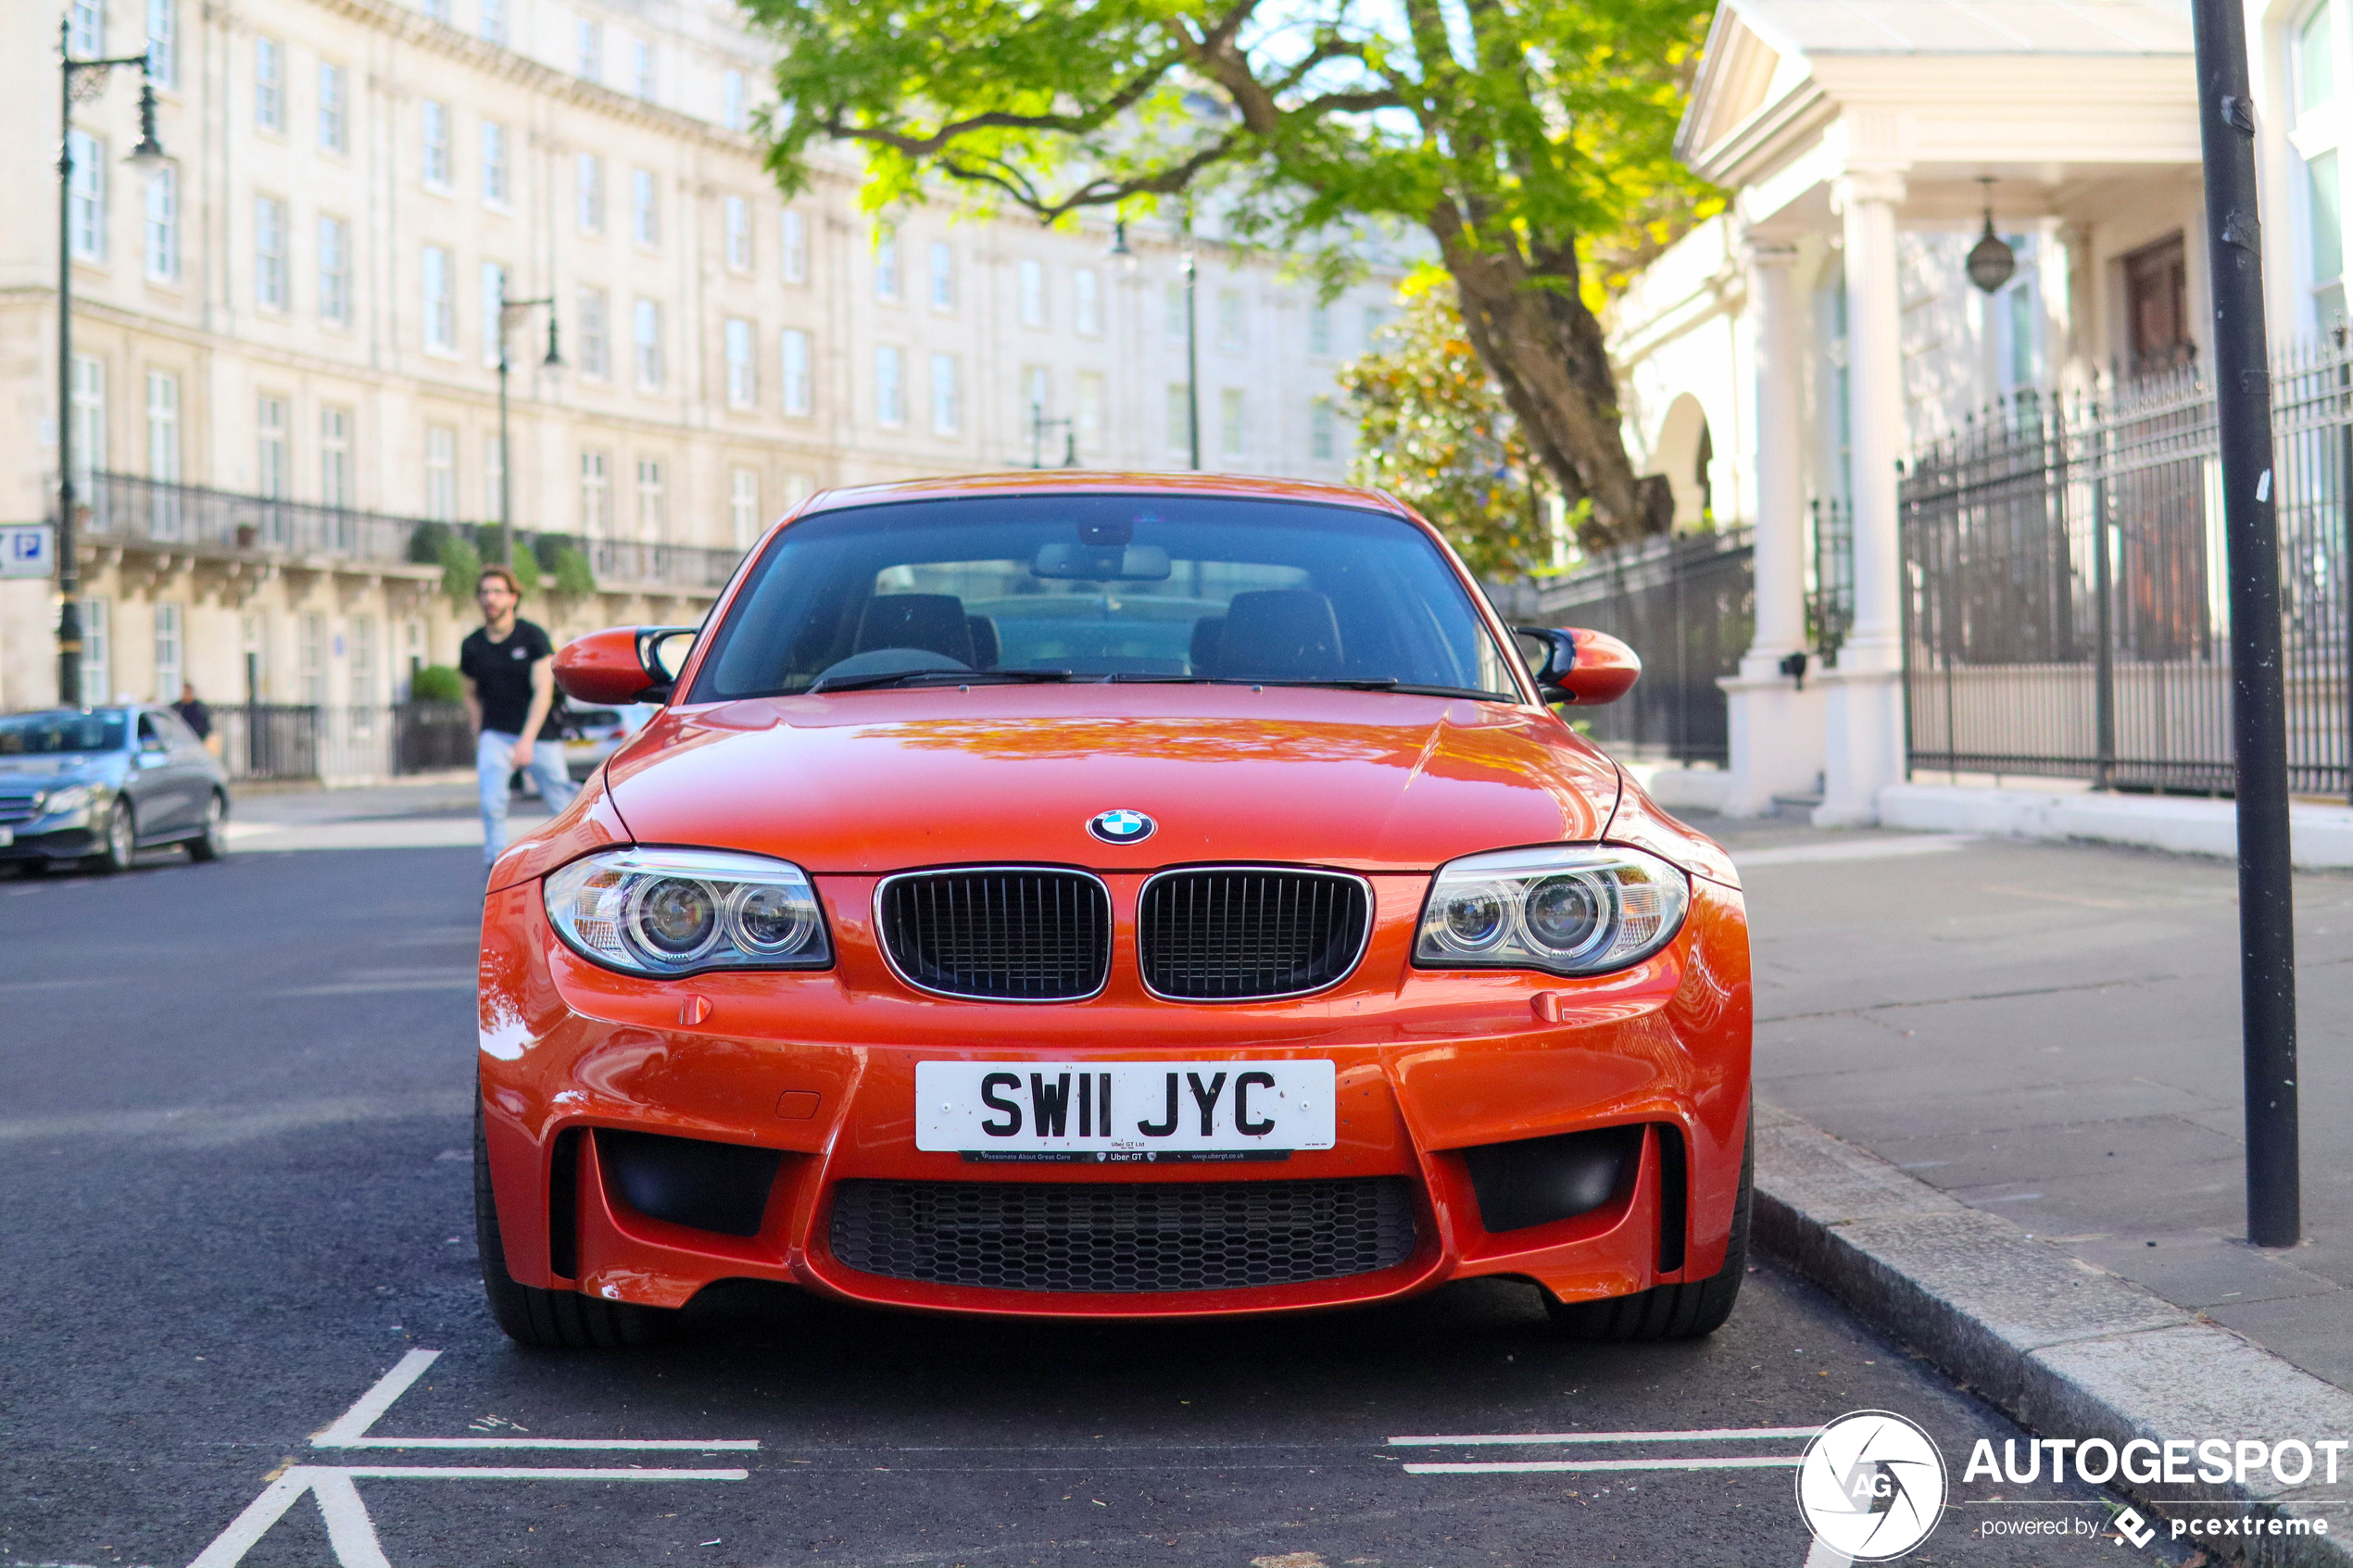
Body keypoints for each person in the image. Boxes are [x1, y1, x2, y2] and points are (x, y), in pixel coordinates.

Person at [459, 564, 579, 869]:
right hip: (496, 733)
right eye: (485, 593)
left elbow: (543, 691)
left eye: (498, 592)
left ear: (513, 598)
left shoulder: (533, 637)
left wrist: (526, 741)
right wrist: (480, 737)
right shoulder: (472, 645)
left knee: (563, 804)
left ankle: (578, 863)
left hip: (539, 735)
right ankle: (495, 869)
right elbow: (470, 694)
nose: (491, 599)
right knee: (491, 803)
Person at [172, 682, 216, 755]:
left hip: (196, 740)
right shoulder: (177, 707)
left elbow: (206, 725)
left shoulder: (199, 707)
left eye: (187, 692)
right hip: (181, 741)